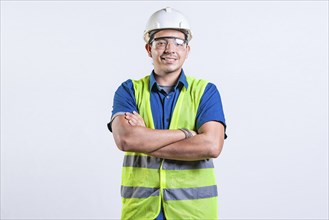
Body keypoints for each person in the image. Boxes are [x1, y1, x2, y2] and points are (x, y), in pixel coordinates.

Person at [108, 7, 227, 220]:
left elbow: (211, 145)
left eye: (178, 42)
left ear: (187, 50)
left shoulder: (205, 92)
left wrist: (145, 139)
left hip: (194, 213)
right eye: (161, 42)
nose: (170, 49)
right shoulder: (129, 90)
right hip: (141, 212)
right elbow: (126, 140)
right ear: (148, 48)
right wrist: (186, 134)